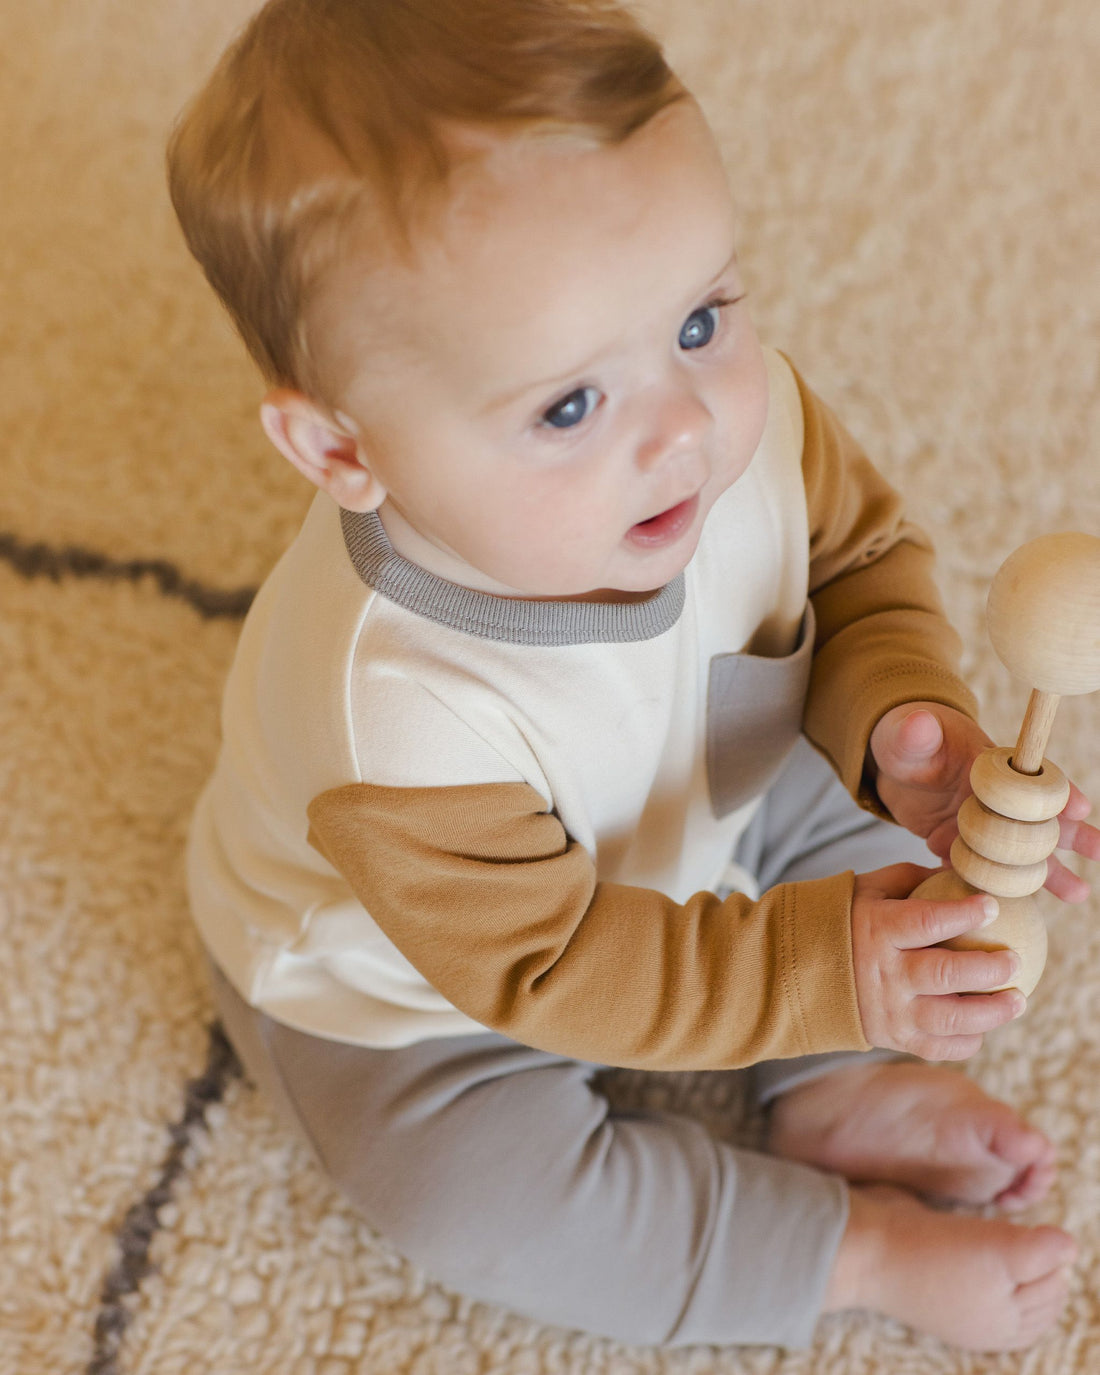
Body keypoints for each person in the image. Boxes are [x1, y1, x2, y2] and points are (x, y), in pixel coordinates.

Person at [169, 0, 1095, 1351]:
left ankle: (835, 1087)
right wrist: (825, 969)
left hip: (695, 788)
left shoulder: (743, 424)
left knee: (846, 798)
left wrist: (909, 725)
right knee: (464, 1193)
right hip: (435, 991)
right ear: (339, 451)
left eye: (700, 317)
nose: (681, 429)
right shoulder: (395, 713)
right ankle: (851, 1250)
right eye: (567, 406)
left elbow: (857, 565)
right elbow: (553, 967)